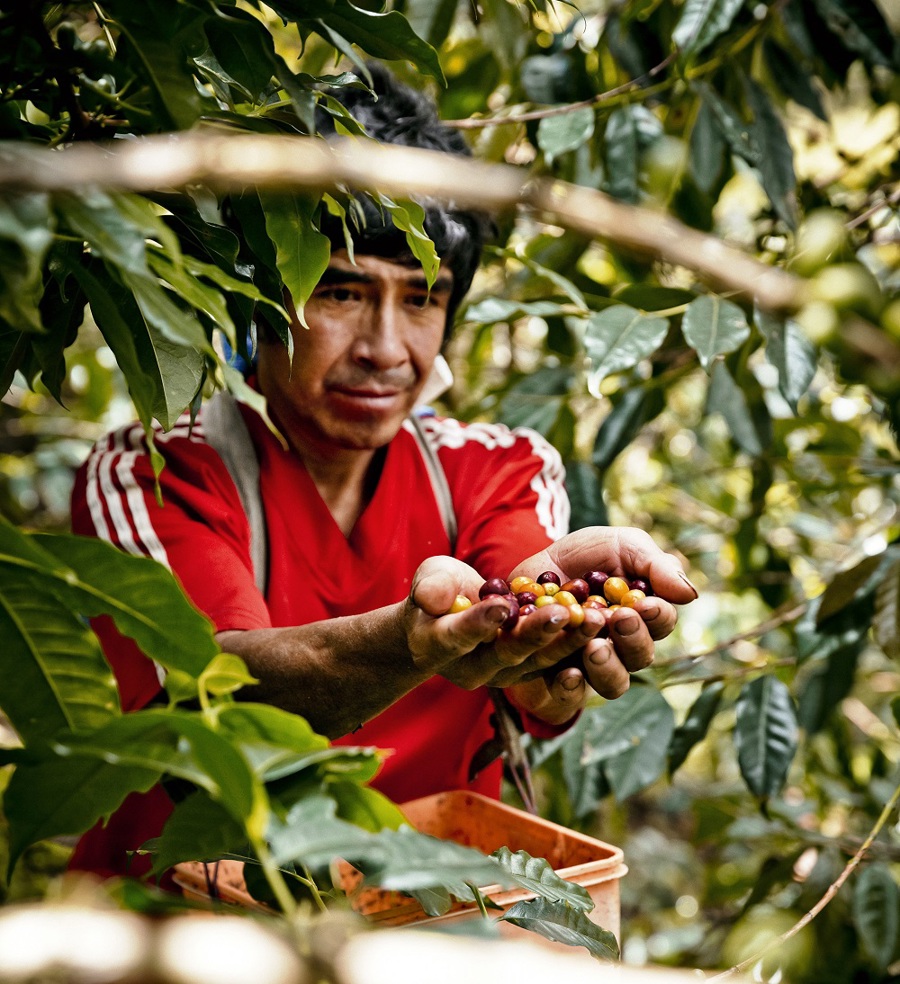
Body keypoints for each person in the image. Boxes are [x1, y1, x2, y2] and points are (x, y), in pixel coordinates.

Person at [67, 66, 697, 880]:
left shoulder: (498, 467)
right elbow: (215, 695)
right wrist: (410, 641)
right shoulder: (153, 473)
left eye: (423, 298)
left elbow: (523, 590)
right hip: (183, 925)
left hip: (420, 919)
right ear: (253, 301)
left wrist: (551, 659)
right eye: (339, 291)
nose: (386, 349)